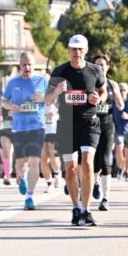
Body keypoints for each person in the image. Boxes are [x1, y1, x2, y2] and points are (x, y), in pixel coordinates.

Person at [45, 34, 106, 228]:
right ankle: (76, 207)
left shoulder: (95, 70)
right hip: (67, 126)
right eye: (73, 48)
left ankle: (87, 211)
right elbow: (47, 101)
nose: (76, 52)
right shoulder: (60, 71)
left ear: (86, 51)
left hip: (89, 124)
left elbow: (103, 91)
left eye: (80, 49)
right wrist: (57, 91)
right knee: (70, 169)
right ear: (69, 50)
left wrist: (99, 99)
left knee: (87, 164)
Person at [0, 52, 48, 210]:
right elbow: (3, 100)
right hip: (19, 127)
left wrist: (44, 99)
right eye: (24, 65)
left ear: (34, 65)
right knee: (21, 164)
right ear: (20, 66)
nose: (27, 67)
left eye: (30, 64)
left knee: (35, 160)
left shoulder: (42, 81)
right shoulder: (13, 83)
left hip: (37, 126)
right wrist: (10, 106)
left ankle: (30, 196)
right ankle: (21, 176)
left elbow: (52, 99)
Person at [91, 55, 123, 210]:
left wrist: (117, 96)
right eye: (97, 65)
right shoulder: (89, 83)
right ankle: (95, 182)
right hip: (91, 127)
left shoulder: (112, 84)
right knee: (94, 162)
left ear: (108, 67)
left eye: (103, 65)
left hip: (107, 126)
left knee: (104, 160)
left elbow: (121, 105)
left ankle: (105, 198)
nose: (100, 67)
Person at [113, 82, 128, 180]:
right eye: (120, 90)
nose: (122, 92)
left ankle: (126, 172)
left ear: (127, 91)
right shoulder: (114, 102)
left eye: (124, 90)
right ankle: (120, 168)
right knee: (119, 148)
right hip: (117, 129)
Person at [41, 96, 62, 193]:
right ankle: (49, 182)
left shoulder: (57, 100)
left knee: (53, 157)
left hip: (54, 131)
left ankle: (57, 174)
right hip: (41, 131)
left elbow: (59, 109)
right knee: (43, 157)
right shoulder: (39, 102)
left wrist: (55, 111)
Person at [0, 99, 14, 186]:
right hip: (4, 132)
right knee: (6, 154)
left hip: (16, 132)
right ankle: (7, 174)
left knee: (11, 154)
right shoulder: (2, 107)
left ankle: (12, 172)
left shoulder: (18, 105)